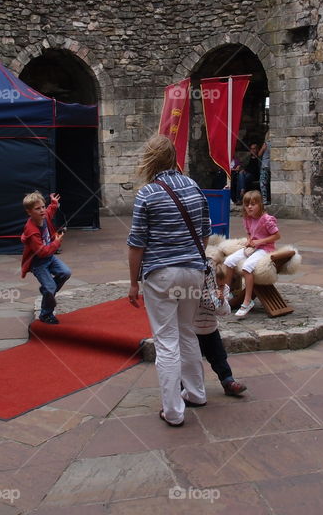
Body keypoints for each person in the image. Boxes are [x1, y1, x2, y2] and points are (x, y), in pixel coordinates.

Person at [127, 135, 210, 427]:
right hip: (193, 271)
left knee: (166, 341)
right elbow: (205, 231)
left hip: (161, 274)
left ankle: (173, 410)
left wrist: (133, 282)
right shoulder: (194, 186)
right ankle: (197, 392)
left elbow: (137, 243)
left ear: (150, 160)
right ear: (174, 156)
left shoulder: (147, 194)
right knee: (187, 331)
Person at [224, 189, 280, 318]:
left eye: (253, 204)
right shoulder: (247, 219)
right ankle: (227, 293)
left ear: (260, 204)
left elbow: (277, 236)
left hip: (266, 249)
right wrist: (249, 240)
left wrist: (260, 241)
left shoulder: (267, 220)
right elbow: (249, 232)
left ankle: (247, 301)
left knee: (247, 267)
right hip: (254, 247)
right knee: (229, 261)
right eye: (247, 204)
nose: (249, 207)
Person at [20, 191, 71, 324]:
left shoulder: (44, 216)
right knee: (51, 288)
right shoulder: (31, 230)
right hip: (38, 262)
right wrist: (57, 242)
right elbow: (42, 252)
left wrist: (54, 202)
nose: (42, 210)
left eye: (43, 206)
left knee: (65, 273)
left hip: (49, 257)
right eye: (38, 208)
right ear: (29, 212)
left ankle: (46, 290)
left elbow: (50, 210)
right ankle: (46, 314)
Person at [194, 269, 247, 397]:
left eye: (222, 285)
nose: (219, 288)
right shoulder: (199, 291)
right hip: (194, 331)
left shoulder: (223, 291)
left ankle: (228, 381)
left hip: (211, 329)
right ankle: (186, 387)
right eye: (216, 286)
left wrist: (222, 301)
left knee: (219, 357)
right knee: (192, 361)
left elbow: (224, 312)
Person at [258, 132, 271, 205]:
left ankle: (265, 199)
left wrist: (263, 148)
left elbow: (259, 154)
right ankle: (269, 199)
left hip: (265, 165)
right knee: (269, 183)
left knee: (263, 183)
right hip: (271, 165)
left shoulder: (266, 144)